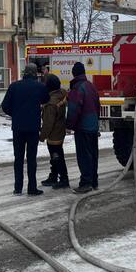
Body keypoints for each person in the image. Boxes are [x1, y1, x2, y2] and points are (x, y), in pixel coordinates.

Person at [1, 63, 49, 195]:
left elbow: (4, 106)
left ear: (24, 73)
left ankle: (18, 187)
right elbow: (47, 99)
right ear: (35, 74)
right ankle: (32, 187)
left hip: (18, 128)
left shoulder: (14, 86)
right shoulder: (40, 87)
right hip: (33, 127)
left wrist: (15, 114)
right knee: (31, 158)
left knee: (19, 158)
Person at [65, 61, 101, 194]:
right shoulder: (91, 86)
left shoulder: (77, 88)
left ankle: (85, 183)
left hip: (83, 128)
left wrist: (69, 125)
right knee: (93, 155)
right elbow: (98, 106)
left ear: (74, 73)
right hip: (92, 126)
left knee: (84, 156)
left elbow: (74, 109)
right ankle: (93, 181)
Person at [39, 74, 69, 189]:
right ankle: (54, 176)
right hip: (59, 131)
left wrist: (42, 136)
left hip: (54, 135)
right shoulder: (61, 94)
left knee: (56, 157)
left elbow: (48, 123)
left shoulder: (51, 103)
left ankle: (63, 179)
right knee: (56, 156)